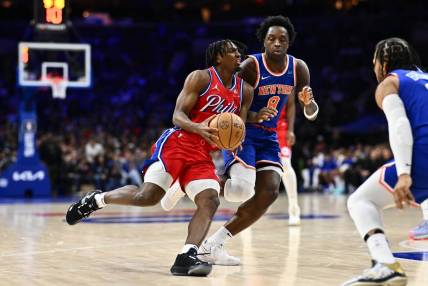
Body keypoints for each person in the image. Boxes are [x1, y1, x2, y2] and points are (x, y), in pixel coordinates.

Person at [65, 39, 254, 277]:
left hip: (202, 154)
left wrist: (233, 139)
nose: (238, 53)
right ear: (218, 57)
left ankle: (187, 256)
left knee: (210, 200)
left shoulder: (245, 90)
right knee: (148, 197)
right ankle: (97, 199)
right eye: (232, 50)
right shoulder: (201, 78)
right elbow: (178, 115)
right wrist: (199, 128)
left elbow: (239, 127)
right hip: (177, 143)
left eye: (239, 51)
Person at [198, 15, 319, 265]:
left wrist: (310, 104)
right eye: (271, 38)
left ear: (289, 42)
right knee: (241, 190)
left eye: (282, 39)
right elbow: (230, 99)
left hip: (269, 136)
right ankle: (197, 180)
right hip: (243, 131)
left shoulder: (299, 68)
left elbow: (311, 112)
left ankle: (214, 244)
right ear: (263, 41)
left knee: (270, 191)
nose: (277, 42)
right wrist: (246, 121)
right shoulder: (251, 66)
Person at [343, 37, 428, 286]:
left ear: (385, 62)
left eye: (374, 63)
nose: (374, 68)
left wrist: (404, 173)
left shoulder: (390, 82)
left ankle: (386, 264)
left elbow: (399, 124)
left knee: (361, 201)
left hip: (423, 155)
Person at [277, 107, 300, 225]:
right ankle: (247, 211)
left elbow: (291, 105)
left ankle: (294, 208)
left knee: (285, 164)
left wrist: (291, 129)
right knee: (251, 167)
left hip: (281, 126)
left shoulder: (290, 87)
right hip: (258, 124)